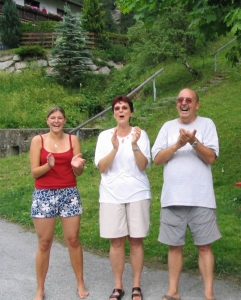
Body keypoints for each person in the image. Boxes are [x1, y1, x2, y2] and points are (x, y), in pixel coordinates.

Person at [152, 88, 221, 300]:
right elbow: (156, 159)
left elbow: (211, 158)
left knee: (204, 246)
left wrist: (193, 142)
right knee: (174, 247)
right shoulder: (167, 127)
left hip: (201, 198)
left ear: (196, 105)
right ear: (176, 105)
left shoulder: (207, 124)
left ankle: (208, 294)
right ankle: (173, 291)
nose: (184, 103)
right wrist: (178, 144)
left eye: (189, 100)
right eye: (180, 99)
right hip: (173, 197)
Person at [94, 95, 151, 300]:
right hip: (111, 194)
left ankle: (136, 285)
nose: (121, 111)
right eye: (117, 108)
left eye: (124, 107)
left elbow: (143, 165)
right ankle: (118, 286)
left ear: (131, 112)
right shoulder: (104, 137)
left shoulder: (140, 134)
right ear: (113, 113)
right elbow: (102, 167)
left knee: (136, 240)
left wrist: (134, 145)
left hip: (137, 193)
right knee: (116, 241)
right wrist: (115, 147)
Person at [29, 105, 88, 300]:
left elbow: (79, 172)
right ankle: (40, 289)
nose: (56, 121)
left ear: (64, 120)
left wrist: (77, 166)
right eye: (52, 117)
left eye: (60, 118)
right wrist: (48, 165)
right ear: (47, 120)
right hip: (44, 194)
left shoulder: (73, 140)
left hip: (69, 192)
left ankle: (80, 283)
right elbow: (34, 172)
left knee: (73, 239)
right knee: (44, 243)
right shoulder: (38, 140)